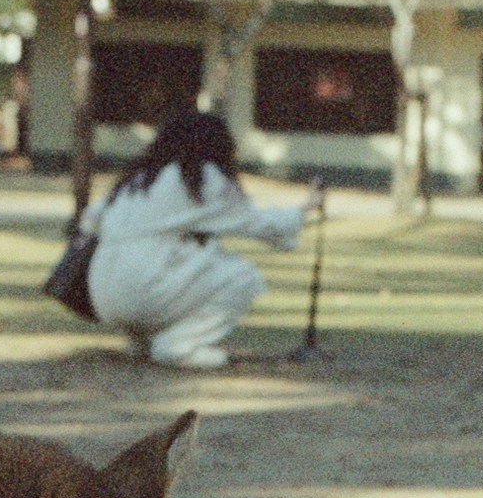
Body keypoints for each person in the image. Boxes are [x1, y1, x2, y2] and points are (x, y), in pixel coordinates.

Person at [86, 109, 320, 370]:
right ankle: (178, 347)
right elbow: (255, 222)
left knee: (190, 261)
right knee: (242, 277)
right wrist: (306, 209)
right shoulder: (200, 179)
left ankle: (142, 342)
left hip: (102, 292)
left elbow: (90, 220)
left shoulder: (139, 179)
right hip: (143, 290)